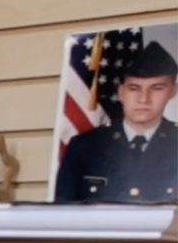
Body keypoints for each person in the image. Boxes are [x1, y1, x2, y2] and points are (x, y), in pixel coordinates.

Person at [55, 41, 178, 203]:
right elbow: (64, 214)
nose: (143, 99)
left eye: (157, 88)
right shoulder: (85, 147)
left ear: (173, 92)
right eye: (134, 88)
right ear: (120, 92)